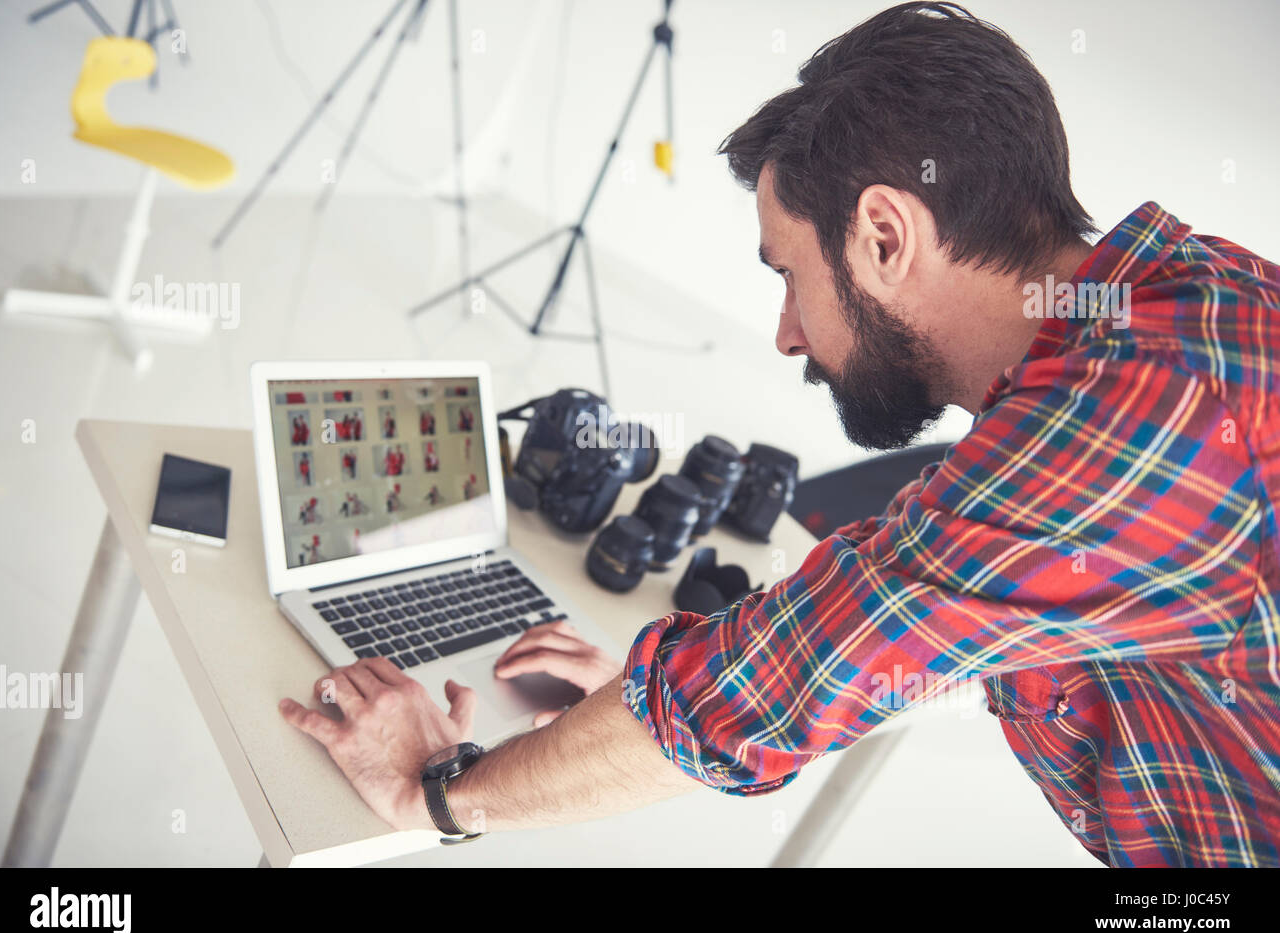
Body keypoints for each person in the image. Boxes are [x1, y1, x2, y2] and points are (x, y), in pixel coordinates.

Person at [279, 2, 1280, 865]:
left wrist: (437, 792)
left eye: (786, 274)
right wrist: (643, 693)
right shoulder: (1198, 290)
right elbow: (882, 633)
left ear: (884, 237)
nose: (787, 333)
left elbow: (763, 696)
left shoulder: (1105, 440)